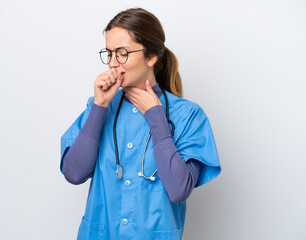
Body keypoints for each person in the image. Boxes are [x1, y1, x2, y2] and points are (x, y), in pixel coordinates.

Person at [60, 8, 221, 240]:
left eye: (123, 53)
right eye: (109, 53)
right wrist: (99, 107)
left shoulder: (188, 116)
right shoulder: (98, 107)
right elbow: (74, 174)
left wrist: (156, 117)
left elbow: (178, 190)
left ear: (151, 57)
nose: (113, 63)